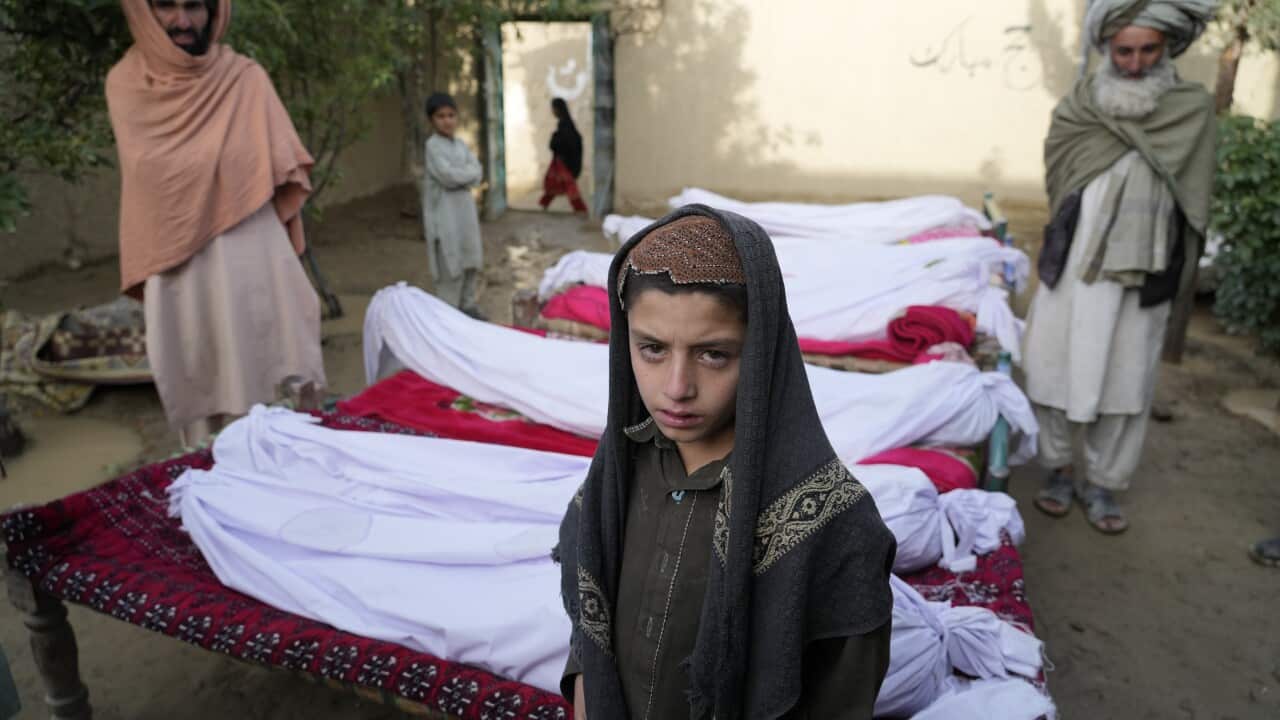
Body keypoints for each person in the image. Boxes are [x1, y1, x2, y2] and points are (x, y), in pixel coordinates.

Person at [556, 207, 895, 719]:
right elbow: (589, 633)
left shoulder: (833, 525)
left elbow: (841, 702)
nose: (676, 388)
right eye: (651, 349)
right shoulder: (617, 477)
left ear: (762, 351)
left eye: (713, 354)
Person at [1023, 0, 1218, 533]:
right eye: (1124, 50)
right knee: (1052, 366)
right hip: (1076, 265)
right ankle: (1059, 470)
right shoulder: (1081, 104)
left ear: (1169, 47)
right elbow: (1059, 170)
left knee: (1126, 381)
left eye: (1148, 49)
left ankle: (1105, 485)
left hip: (1144, 273)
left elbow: (1195, 198)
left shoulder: (1191, 109)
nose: (1134, 62)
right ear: (1108, 47)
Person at [106, 0, 325, 449]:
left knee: (279, 425)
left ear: (214, 12)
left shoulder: (246, 80)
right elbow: (150, 189)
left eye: (194, 7)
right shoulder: (124, 86)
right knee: (208, 440)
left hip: (256, 270)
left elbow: (287, 179)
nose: (182, 21)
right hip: (179, 276)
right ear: (143, 11)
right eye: (166, 6)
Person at [422, 92, 486, 319]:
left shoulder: (460, 145)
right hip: (445, 218)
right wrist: (466, 175)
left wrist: (465, 175)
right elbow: (447, 176)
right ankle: (449, 317)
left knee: (470, 262)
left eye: (451, 115)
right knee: (450, 266)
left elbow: (477, 172)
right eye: (441, 116)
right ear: (432, 120)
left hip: (466, 216)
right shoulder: (432, 146)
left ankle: (468, 308)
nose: (447, 121)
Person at [539, 97, 588, 214]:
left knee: (569, 187)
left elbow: (567, 144)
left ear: (558, 109)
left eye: (553, 109)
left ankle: (581, 210)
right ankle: (544, 205)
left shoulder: (565, 125)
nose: (552, 111)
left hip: (565, 163)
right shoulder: (564, 124)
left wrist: (555, 139)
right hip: (563, 162)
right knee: (554, 184)